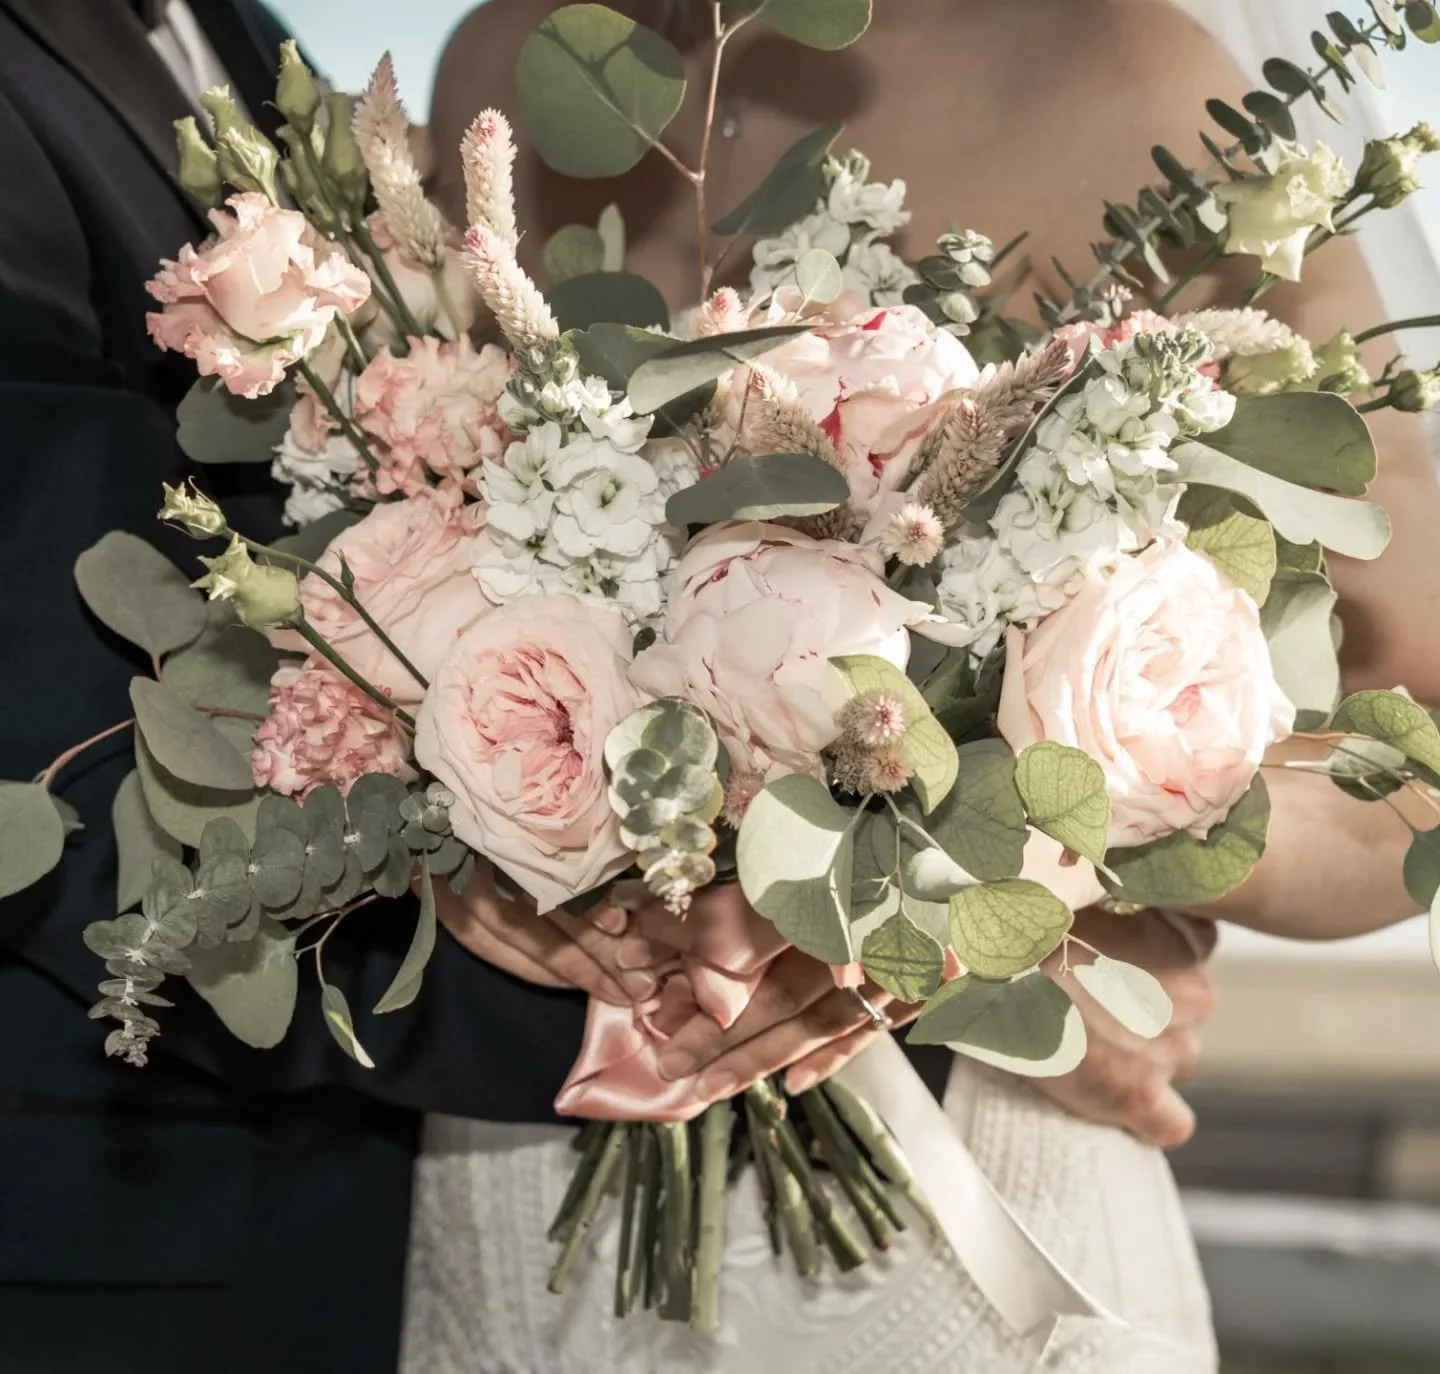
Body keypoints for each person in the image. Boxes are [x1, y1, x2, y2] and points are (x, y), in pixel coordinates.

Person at [408, 0, 1440, 1370]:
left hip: (972, 1193)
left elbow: (1412, 763)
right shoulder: (502, 65)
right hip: (531, 1177)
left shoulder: (1129, 69)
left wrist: (999, 900)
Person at [0, 3, 602, 1370]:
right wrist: (628, 993)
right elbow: (46, 661)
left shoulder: (232, 32)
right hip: (102, 1233)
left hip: (336, 1201)